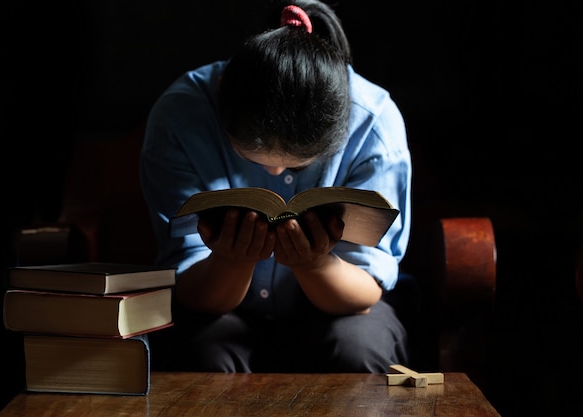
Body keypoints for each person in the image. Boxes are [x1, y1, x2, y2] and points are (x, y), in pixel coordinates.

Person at [140, 0, 412, 373]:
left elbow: (367, 289)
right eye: (254, 156)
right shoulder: (181, 116)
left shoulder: (373, 122)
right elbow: (186, 284)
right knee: (201, 355)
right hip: (219, 305)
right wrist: (231, 261)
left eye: (296, 162)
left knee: (358, 349)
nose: (275, 172)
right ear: (223, 94)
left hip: (341, 306)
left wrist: (315, 265)